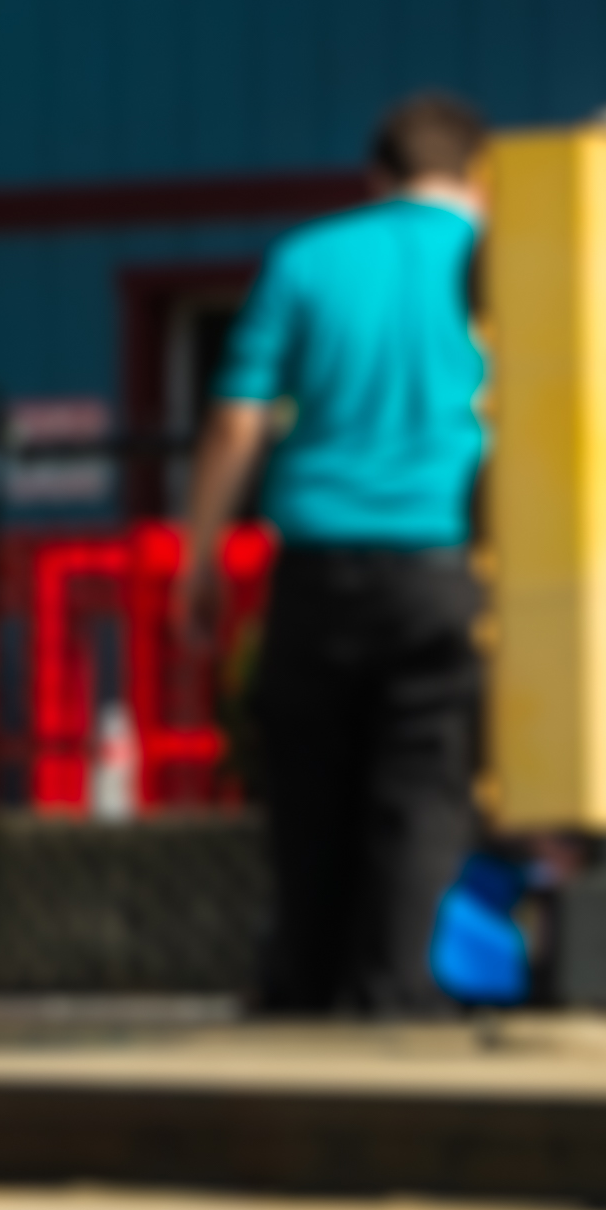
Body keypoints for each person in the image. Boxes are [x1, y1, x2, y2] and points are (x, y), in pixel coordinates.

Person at [183, 91, 494, 1018]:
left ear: (376, 177)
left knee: (309, 785)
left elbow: (237, 420)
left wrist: (200, 556)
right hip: (441, 562)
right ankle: (395, 987)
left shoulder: (305, 257)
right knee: (422, 789)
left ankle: (301, 989)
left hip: (314, 561)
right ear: (478, 178)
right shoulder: (502, 266)